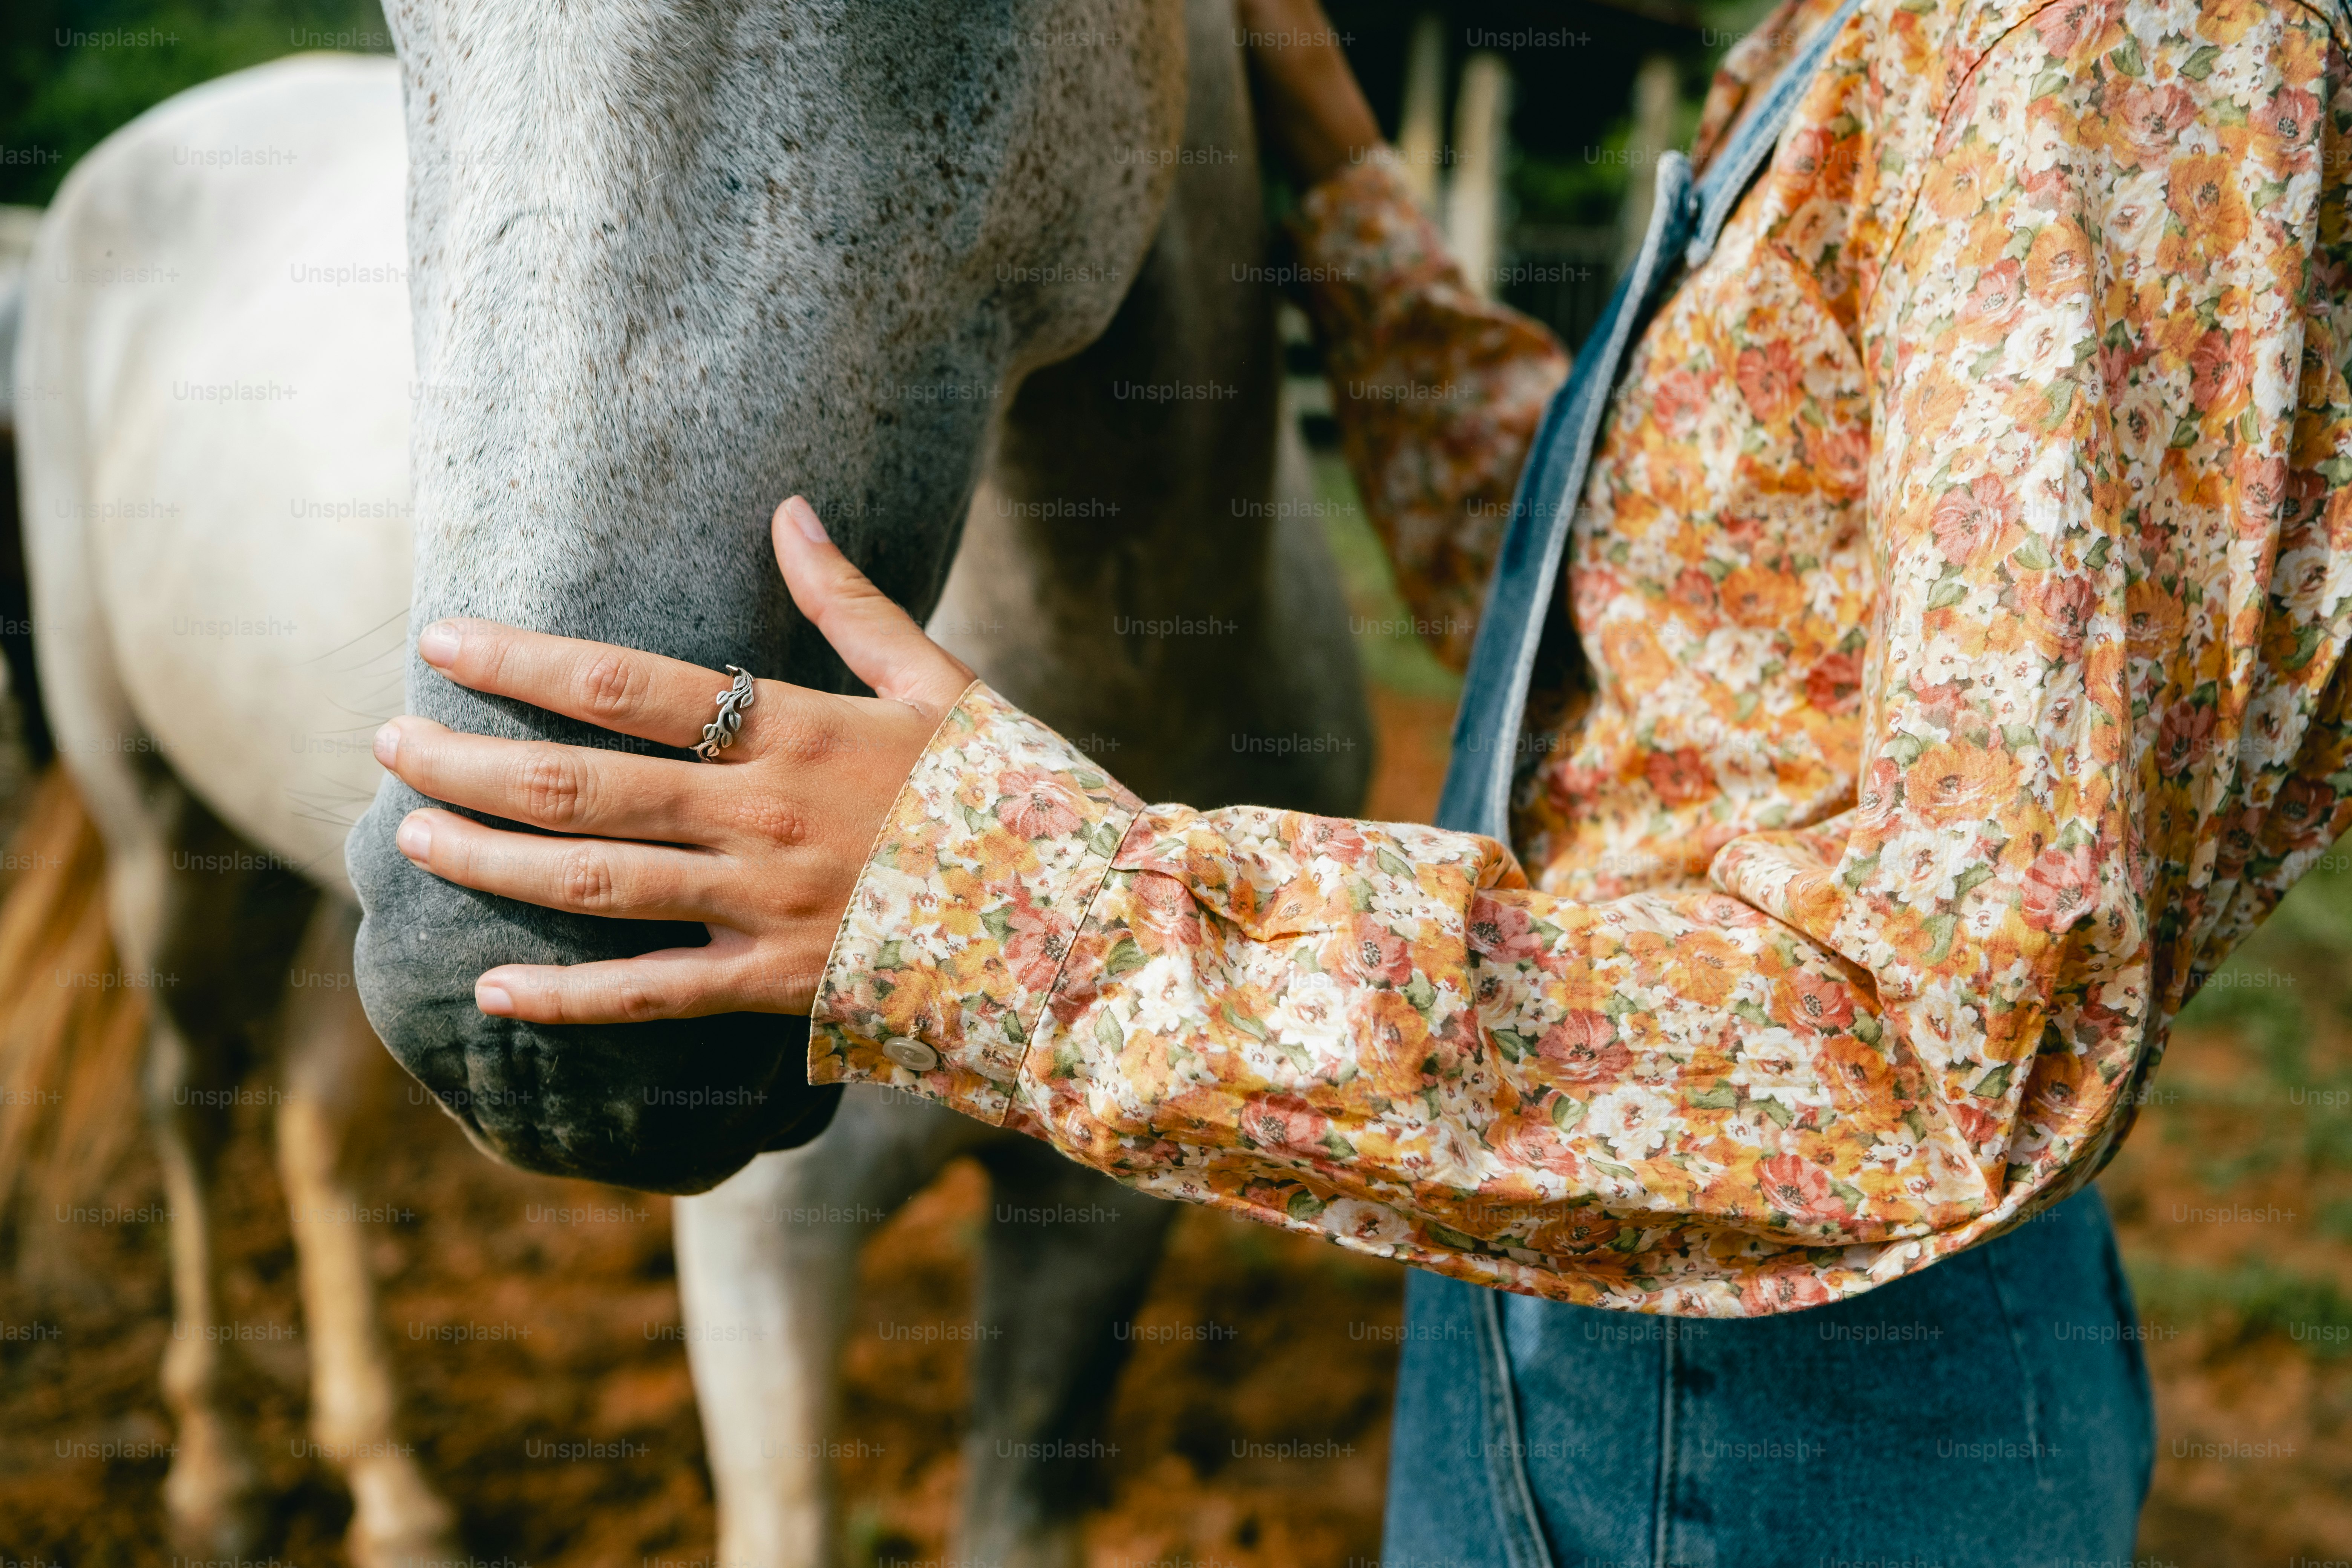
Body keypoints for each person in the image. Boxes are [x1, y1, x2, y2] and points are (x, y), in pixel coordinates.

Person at [367, 0, 2352, 1556]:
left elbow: (1952, 1043)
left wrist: (984, 904)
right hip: (1586, 1317)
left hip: (1798, 1438)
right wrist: (1334, 182)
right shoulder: (1897, 38)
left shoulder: (2096, 48)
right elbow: (1697, 636)